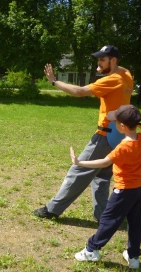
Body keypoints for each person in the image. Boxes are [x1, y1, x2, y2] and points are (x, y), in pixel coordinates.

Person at [34, 45, 134, 222]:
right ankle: (103, 215)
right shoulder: (126, 77)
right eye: (99, 60)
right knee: (101, 176)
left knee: (78, 170)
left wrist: (54, 81)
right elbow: (125, 69)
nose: (99, 63)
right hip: (118, 136)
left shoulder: (112, 80)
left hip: (105, 136)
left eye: (102, 60)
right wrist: (109, 65)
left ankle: (52, 209)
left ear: (113, 60)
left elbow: (80, 92)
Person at [70, 105, 141, 269]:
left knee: (108, 221)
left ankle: (91, 250)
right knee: (135, 223)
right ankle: (134, 257)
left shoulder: (123, 147)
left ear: (122, 126)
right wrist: (140, 125)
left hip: (123, 191)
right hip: (138, 190)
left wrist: (79, 162)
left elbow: (104, 162)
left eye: (116, 122)